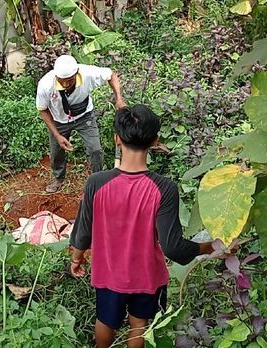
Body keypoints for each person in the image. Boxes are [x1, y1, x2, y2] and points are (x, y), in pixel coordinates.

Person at [68, 105, 215, 348]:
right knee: (140, 324)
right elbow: (173, 248)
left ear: (116, 138)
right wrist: (207, 247)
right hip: (148, 276)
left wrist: (77, 257)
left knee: (105, 319)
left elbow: (84, 228)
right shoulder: (164, 188)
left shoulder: (96, 182)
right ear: (155, 140)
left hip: (108, 273)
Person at [36, 55, 126, 193]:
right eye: (62, 81)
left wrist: (119, 98)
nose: (66, 84)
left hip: (85, 116)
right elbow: (43, 110)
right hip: (59, 120)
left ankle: (97, 181)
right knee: (56, 152)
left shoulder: (88, 74)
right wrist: (57, 135)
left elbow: (111, 75)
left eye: (70, 81)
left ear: (77, 73)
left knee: (95, 149)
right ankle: (58, 178)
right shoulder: (45, 85)